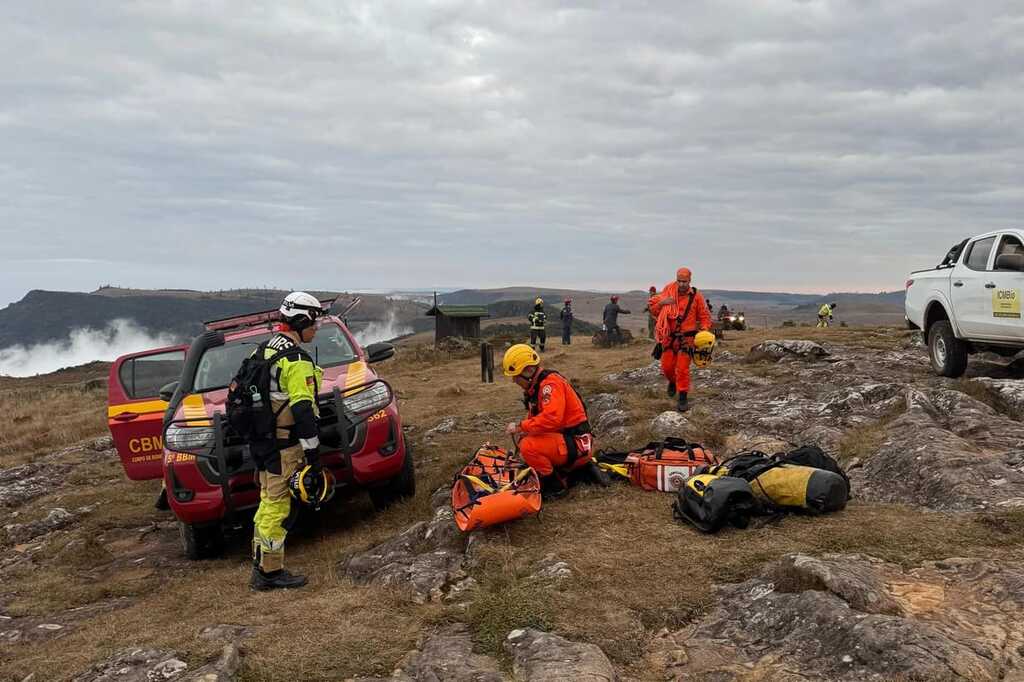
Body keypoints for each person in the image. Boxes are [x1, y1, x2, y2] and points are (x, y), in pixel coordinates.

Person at [250, 291, 326, 591]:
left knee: (267, 502)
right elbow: (303, 410)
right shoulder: (295, 359)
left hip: (264, 443)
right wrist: (314, 455)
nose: (316, 328)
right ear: (301, 319)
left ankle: (261, 562)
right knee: (277, 508)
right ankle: (269, 573)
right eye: (314, 321)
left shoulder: (265, 348)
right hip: (285, 446)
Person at [501, 344, 600, 499]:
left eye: (516, 376)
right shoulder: (538, 387)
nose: (514, 380)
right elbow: (538, 422)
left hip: (577, 444)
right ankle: (558, 473)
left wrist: (520, 427)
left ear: (528, 371)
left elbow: (552, 419)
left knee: (528, 446)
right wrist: (524, 430)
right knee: (525, 440)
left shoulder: (549, 385)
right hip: (571, 442)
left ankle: (555, 487)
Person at [654, 267, 712, 412]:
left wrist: (704, 328)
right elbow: (654, 310)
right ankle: (672, 382)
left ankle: (683, 397)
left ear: (689, 281)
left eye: (684, 281)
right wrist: (662, 303)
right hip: (669, 338)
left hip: (687, 339)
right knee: (667, 368)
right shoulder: (667, 292)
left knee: (682, 369)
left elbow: (704, 315)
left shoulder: (697, 296)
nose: (681, 284)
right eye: (679, 281)